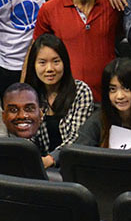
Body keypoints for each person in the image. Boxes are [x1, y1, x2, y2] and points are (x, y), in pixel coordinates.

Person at [34, 0, 120, 100]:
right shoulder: (49, 9)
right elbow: (36, 52)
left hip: (108, 100)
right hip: (66, 100)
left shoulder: (114, 4)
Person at [23, 33, 95, 167]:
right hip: (37, 165)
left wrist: (50, 159)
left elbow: (77, 138)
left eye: (56, 61)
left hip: (73, 165)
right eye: (42, 63)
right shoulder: (28, 94)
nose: (50, 69)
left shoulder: (81, 91)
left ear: (65, 63)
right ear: (33, 65)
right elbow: (25, 139)